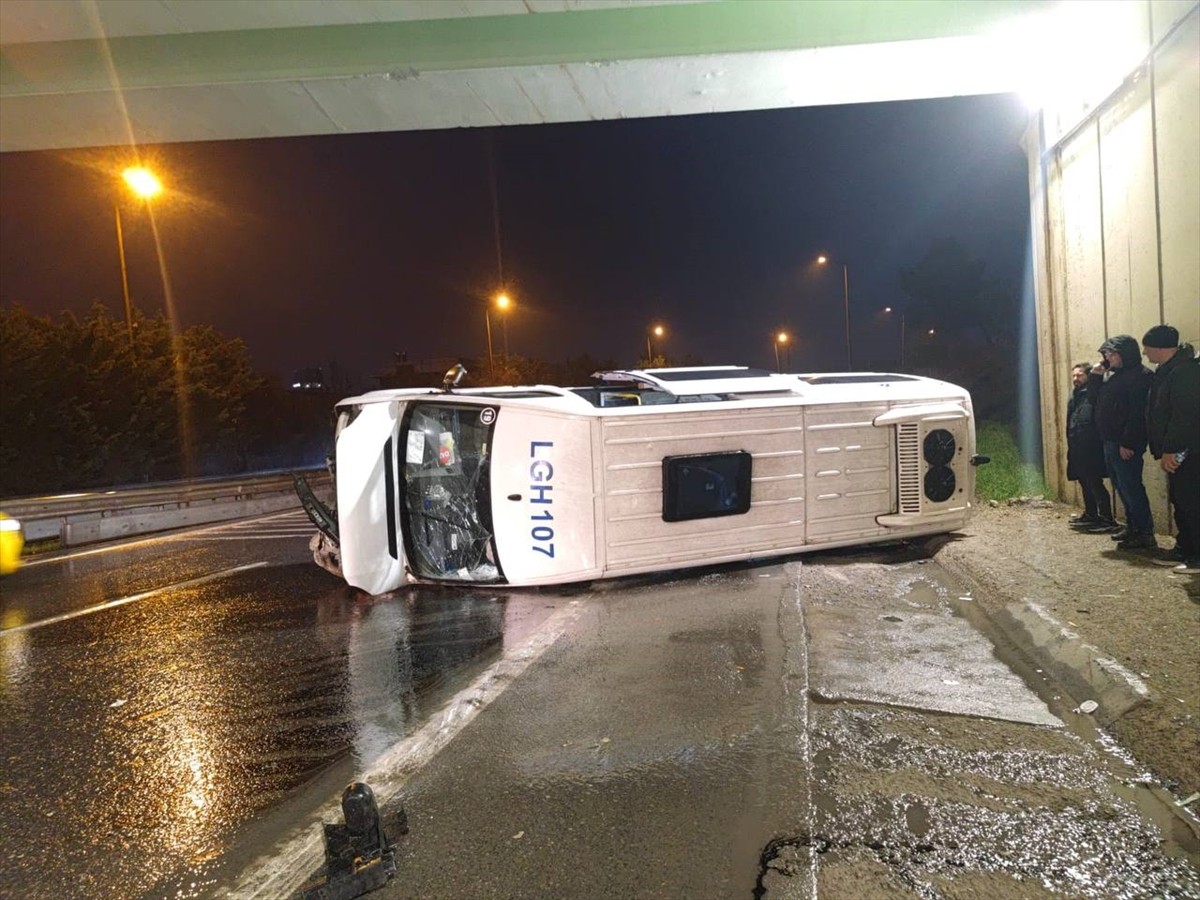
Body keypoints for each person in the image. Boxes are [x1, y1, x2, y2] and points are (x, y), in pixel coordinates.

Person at [1142, 324, 1200, 575]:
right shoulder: (1169, 370)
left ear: (1161, 348)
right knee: (1181, 501)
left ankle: (1197, 557)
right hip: (1179, 451)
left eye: (1147, 348)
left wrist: (1171, 448)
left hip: (1187, 452)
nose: (1145, 353)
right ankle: (1185, 548)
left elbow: (1184, 416)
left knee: (1191, 502)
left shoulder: (1184, 372)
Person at [1090, 335, 1155, 550]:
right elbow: (1096, 400)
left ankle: (1144, 532)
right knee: (1121, 486)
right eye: (1106, 354)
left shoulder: (1140, 376)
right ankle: (1133, 527)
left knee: (1131, 486)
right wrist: (1096, 377)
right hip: (1110, 440)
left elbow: (1139, 413)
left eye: (1112, 353)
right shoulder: (1115, 377)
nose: (1108, 357)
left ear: (1124, 354)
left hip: (1125, 442)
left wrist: (1129, 442)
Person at [1066, 361, 1114, 531]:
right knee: (1084, 480)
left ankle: (1106, 518)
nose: (1075, 378)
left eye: (1079, 375)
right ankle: (1091, 514)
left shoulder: (1093, 394)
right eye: (1073, 375)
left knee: (1094, 481)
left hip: (1091, 446)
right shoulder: (1075, 395)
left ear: (1088, 376)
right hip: (1078, 445)